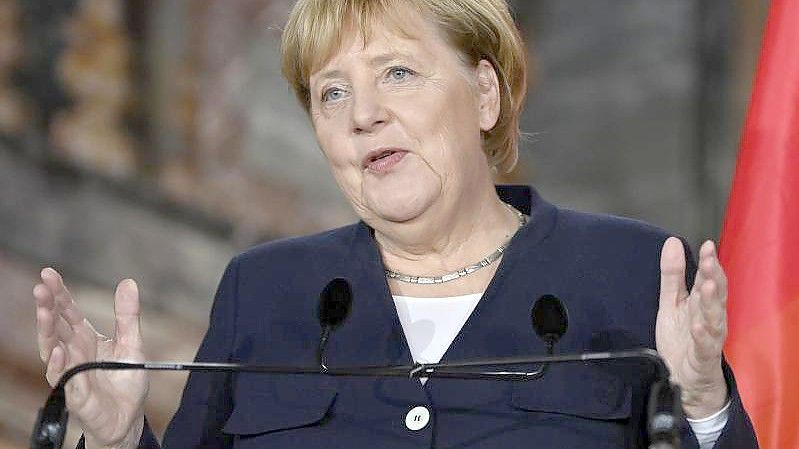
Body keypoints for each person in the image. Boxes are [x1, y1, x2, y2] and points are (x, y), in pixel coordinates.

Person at [32, 0, 759, 448]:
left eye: (397, 74)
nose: (361, 114)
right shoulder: (266, 290)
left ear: (483, 94)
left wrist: (700, 402)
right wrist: (122, 436)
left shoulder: (627, 272)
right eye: (330, 93)